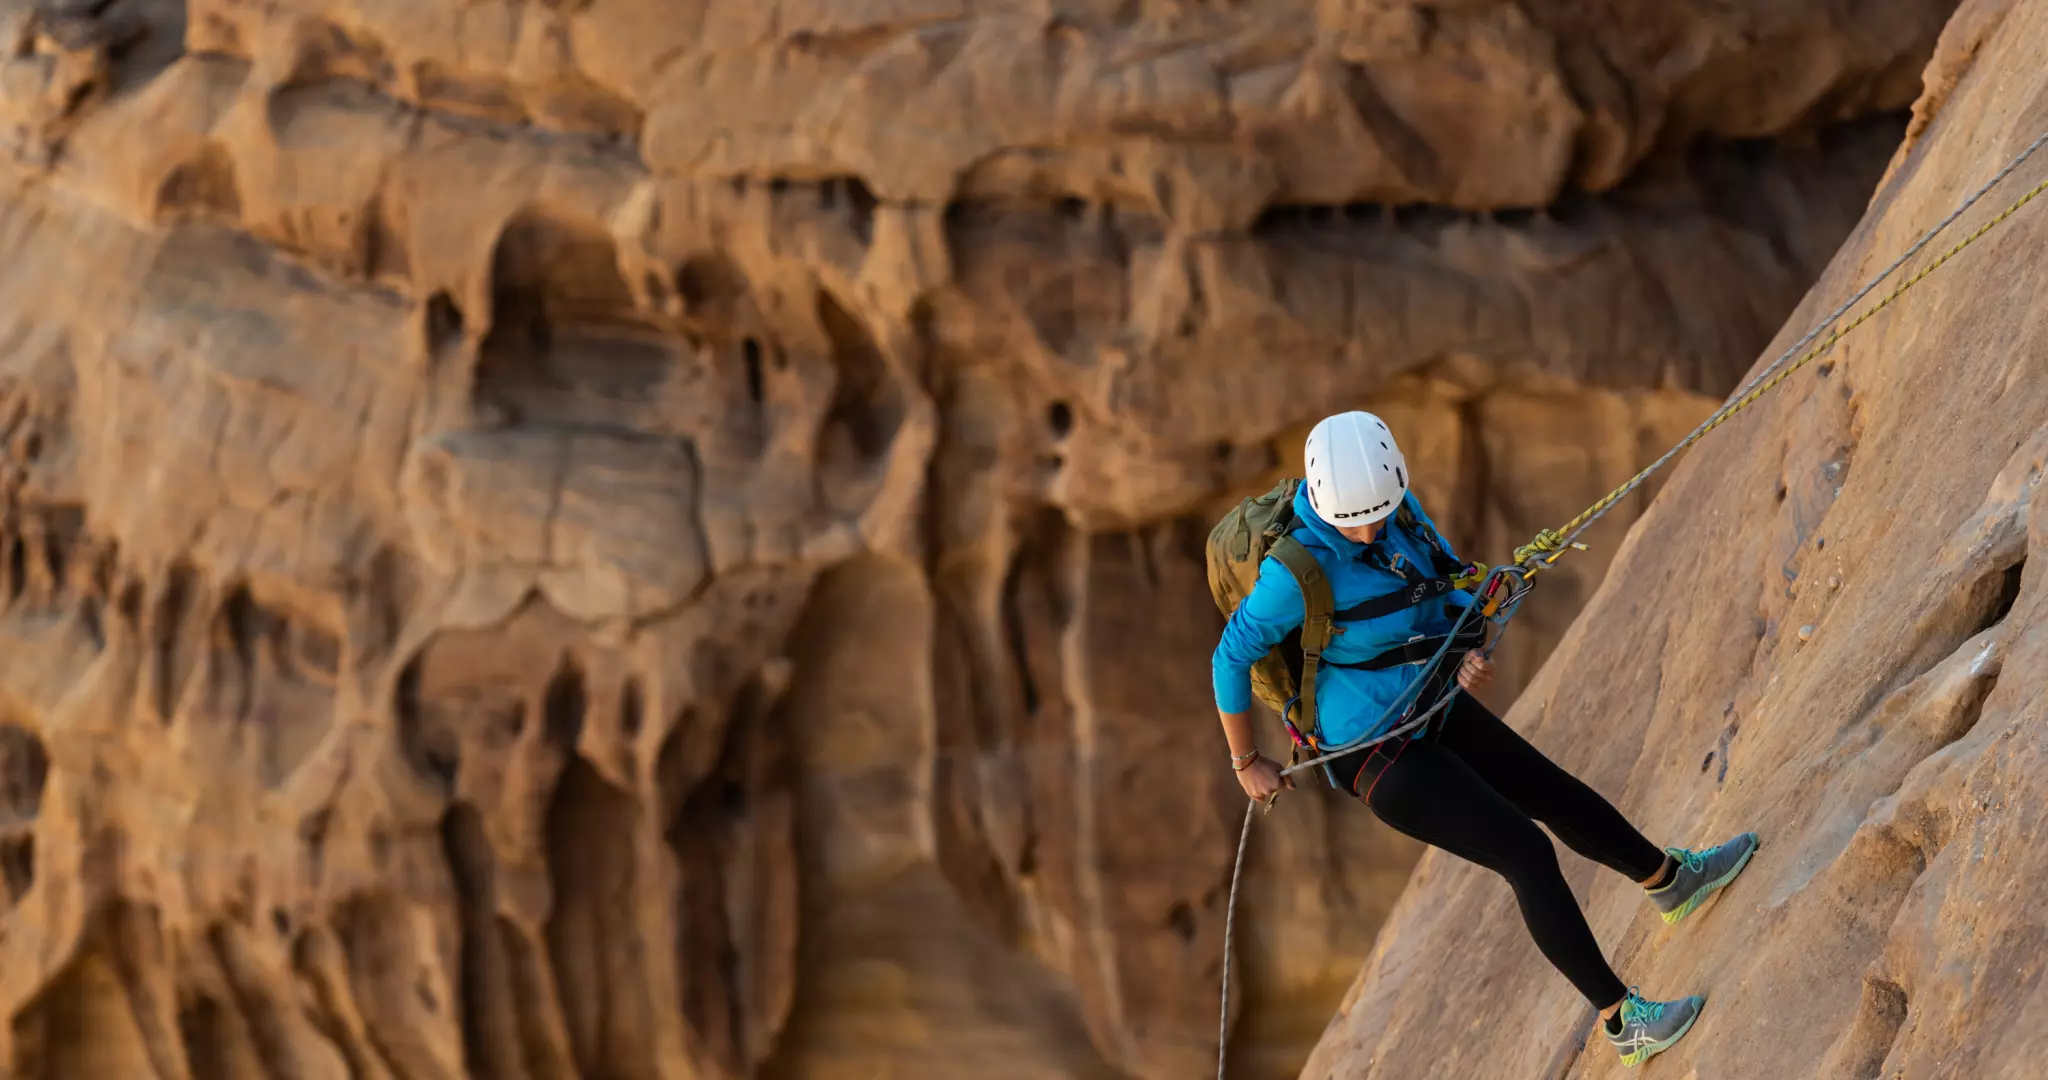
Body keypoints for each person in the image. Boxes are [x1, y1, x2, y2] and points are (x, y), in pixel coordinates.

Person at [1211, 410, 1759, 1068]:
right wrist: (1246, 760)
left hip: (1428, 696)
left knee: (1550, 791)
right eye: (1353, 521)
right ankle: (1624, 1022)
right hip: (1372, 753)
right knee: (1524, 851)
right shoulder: (1291, 575)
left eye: (1377, 514)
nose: (1367, 529)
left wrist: (1466, 635)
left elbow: (1438, 589)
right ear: (1324, 506)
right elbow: (1229, 658)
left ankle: (1670, 881)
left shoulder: (1397, 511)